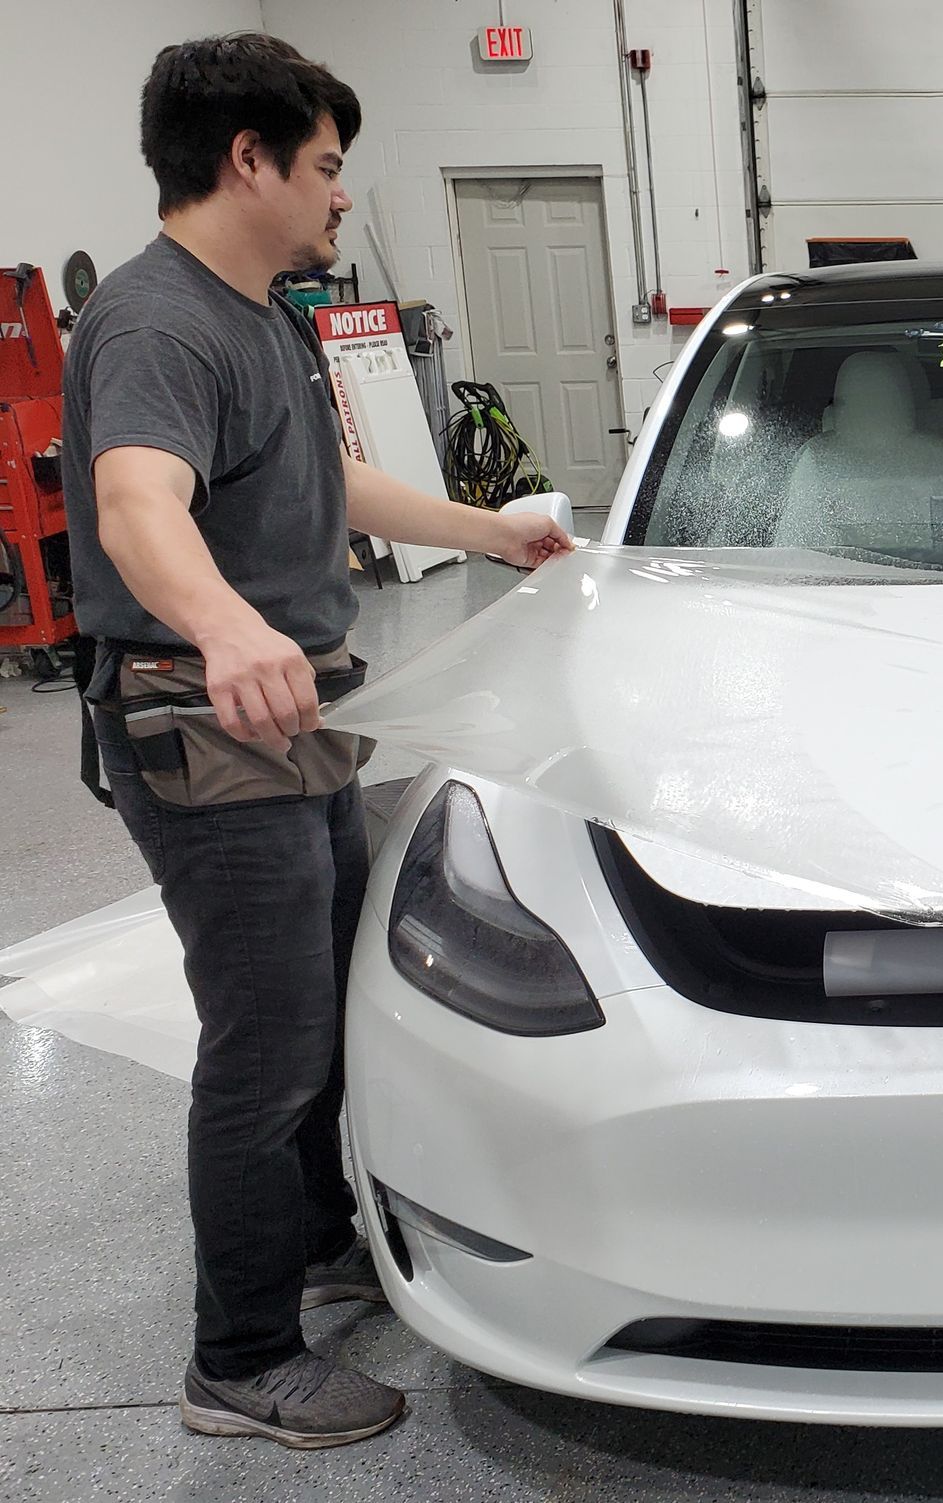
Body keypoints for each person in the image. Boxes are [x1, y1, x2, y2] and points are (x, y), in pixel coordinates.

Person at [62, 34, 573, 1449]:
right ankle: (240, 1356)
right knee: (266, 1040)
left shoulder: (258, 312)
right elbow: (136, 507)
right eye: (330, 165)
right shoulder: (159, 323)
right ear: (251, 159)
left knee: (328, 997)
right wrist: (227, 626)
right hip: (211, 725)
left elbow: (321, 470)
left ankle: (316, 1234)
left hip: (298, 715)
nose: (342, 197)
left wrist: (487, 528)